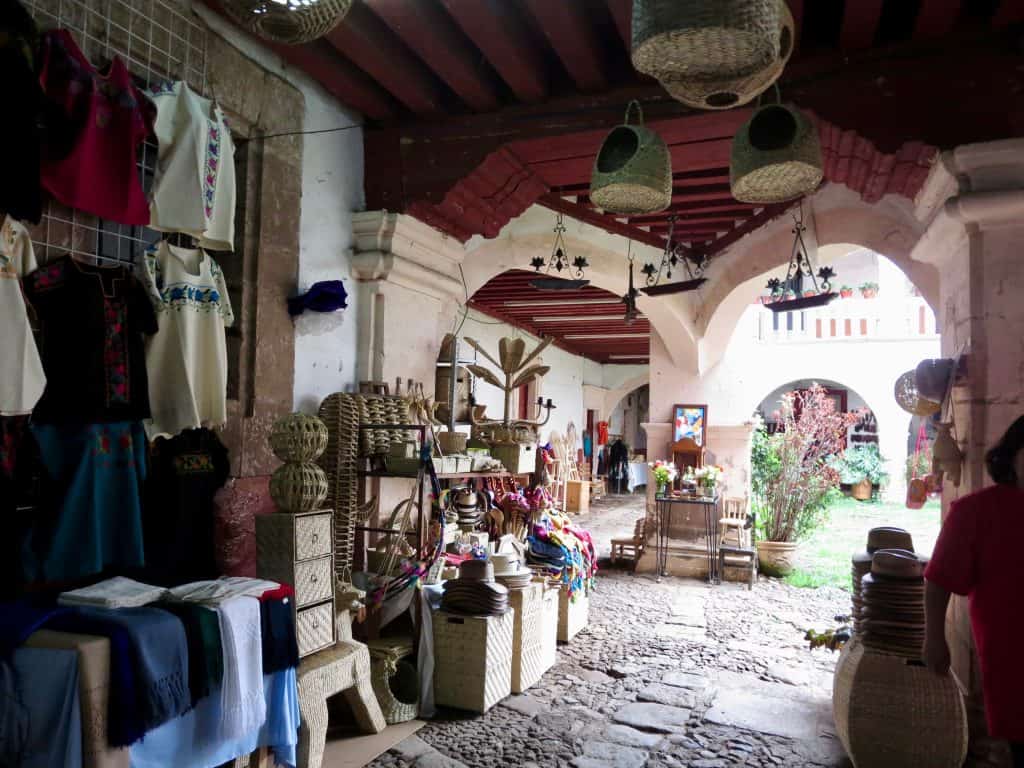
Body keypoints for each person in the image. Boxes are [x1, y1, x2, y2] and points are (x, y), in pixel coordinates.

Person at [924, 415, 1024, 764]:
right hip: (1013, 661)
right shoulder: (976, 512)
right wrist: (935, 638)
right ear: (1012, 457)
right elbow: (938, 579)